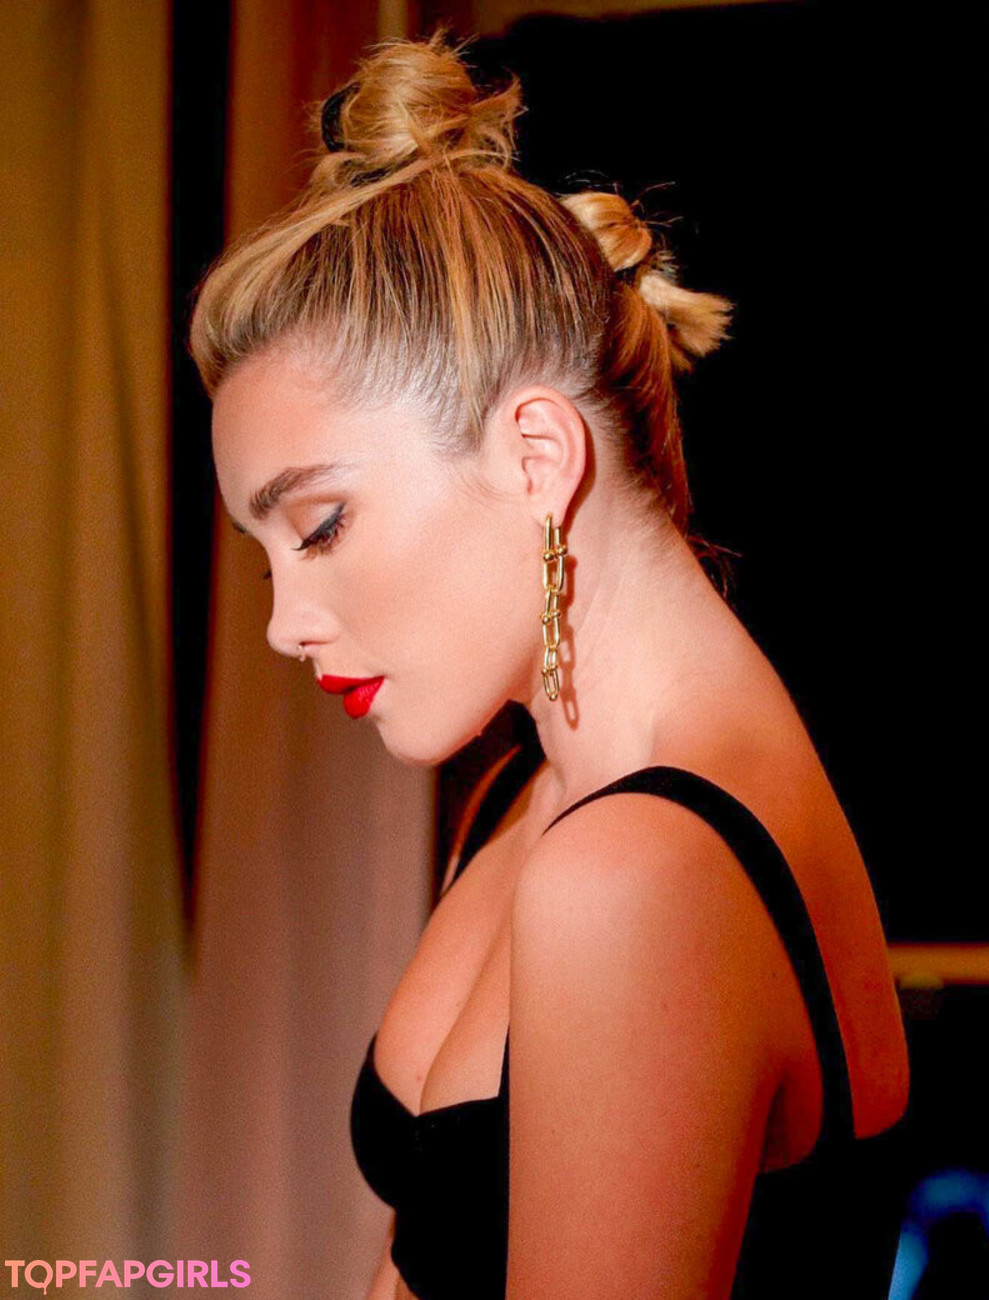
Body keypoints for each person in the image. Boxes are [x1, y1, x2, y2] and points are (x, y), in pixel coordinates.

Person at [191, 30, 910, 1300]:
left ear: (537, 455)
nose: (284, 625)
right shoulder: (535, 801)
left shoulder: (644, 866)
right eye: (268, 562)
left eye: (322, 525)